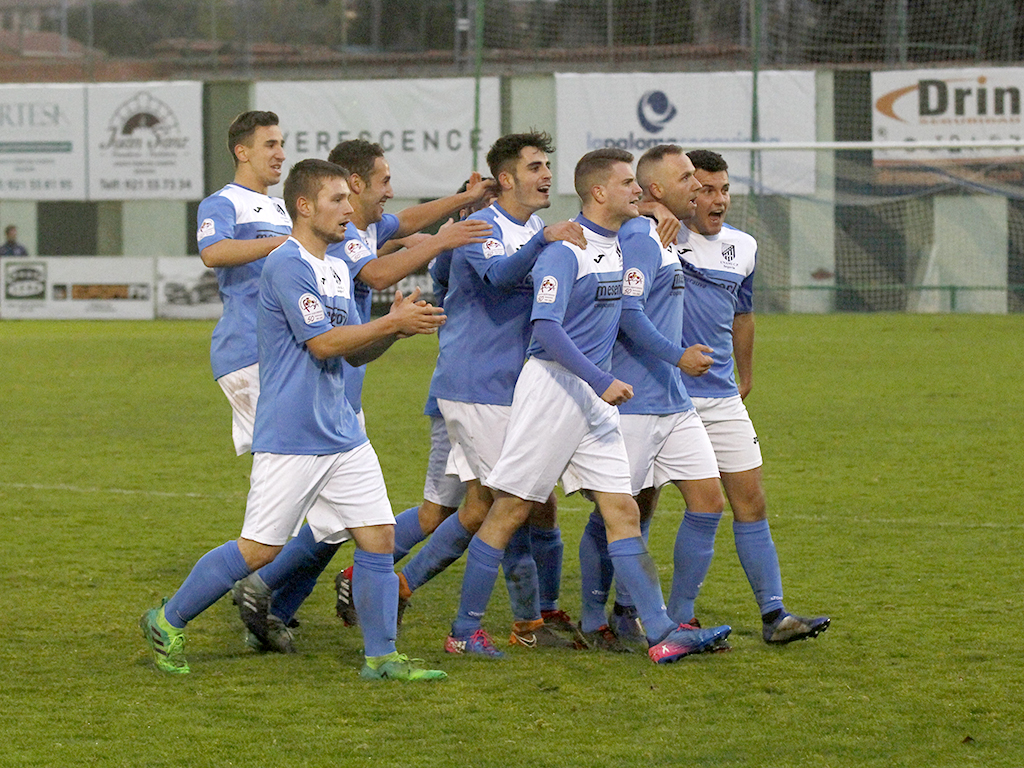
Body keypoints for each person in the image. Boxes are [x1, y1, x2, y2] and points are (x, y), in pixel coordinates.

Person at [140, 158, 448, 682]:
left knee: (375, 538)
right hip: (292, 436)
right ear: (304, 207)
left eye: (349, 201)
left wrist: (391, 331)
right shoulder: (287, 263)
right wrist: (389, 322)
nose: (349, 209)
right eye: (337, 200)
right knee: (259, 550)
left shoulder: (333, 264)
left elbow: (351, 354)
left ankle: (381, 657)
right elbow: (321, 342)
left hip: (342, 432)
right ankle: (166, 619)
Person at [444, 147, 732, 663]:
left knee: (622, 509)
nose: (637, 192)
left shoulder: (621, 245)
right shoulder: (565, 248)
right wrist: (602, 379)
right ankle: (464, 630)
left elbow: (625, 311)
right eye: (628, 185)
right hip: (554, 390)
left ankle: (661, 631)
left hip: (592, 397)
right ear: (600, 192)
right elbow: (546, 329)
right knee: (509, 510)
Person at [671, 147, 830, 644]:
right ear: (686, 193)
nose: (719, 201)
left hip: (720, 397)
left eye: (725, 190)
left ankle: (774, 615)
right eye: (707, 190)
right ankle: (630, 616)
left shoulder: (744, 247)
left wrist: (745, 374)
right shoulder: (657, 238)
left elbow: (743, 314)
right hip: (665, 394)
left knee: (751, 501)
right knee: (641, 504)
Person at [575, 146, 727, 652]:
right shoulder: (641, 237)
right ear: (656, 190)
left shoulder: (663, 234)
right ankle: (596, 617)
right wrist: (678, 355)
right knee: (615, 516)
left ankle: (679, 620)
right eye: (687, 179)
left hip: (674, 402)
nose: (699, 188)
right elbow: (628, 312)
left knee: (707, 502)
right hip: (636, 402)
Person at [196, 111, 291, 456]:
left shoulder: (282, 209)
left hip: (282, 348)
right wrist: (285, 243)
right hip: (246, 348)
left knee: (290, 459)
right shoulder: (223, 202)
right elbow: (213, 251)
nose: (280, 153)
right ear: (242, 152)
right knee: (282, 455)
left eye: (282, 144)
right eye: (270, 144)